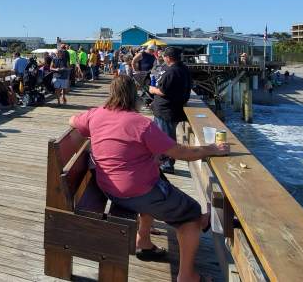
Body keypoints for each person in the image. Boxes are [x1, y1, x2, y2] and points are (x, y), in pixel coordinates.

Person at [69, 76, 228, 282]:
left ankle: (143, 241)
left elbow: (71, 120)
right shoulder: (141, 124)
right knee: (191, 214)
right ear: (133, 96)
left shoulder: (96, 115)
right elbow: (179, 152)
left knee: (157, 176)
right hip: (135, 191)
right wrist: (212, 149)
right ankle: (187, 275)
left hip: (108, 187)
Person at [149, 46, 192, 174]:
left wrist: (152, 89)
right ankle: (164, 161)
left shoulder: (172, 72)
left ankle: (167, 164)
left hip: (166, 110)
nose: (163, 58)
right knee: (165, 137)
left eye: (164, 56)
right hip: (172, 109)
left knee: (165, 138)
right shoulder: (183, 69)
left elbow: (162, 90)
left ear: (168, 58)